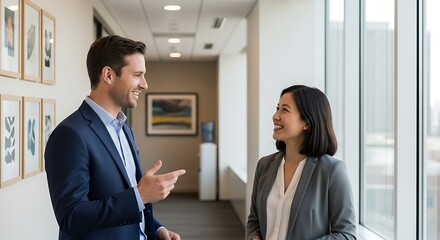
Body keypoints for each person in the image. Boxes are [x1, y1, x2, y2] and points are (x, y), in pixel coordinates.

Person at [45, 35, 186, 240]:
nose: (144, 84)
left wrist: (155, 229)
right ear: (109, 75)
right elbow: (71, 218)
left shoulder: (124, 129)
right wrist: (141, 195)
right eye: (137, 75)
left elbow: (127, 197)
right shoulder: (70, 135)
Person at [246, 85, 356, 240]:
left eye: (284, 110)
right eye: (277, 108)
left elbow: (347, 234)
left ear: (307, 122)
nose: (275, 116)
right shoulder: (264, 165)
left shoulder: (332, 171)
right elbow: (253, 221)